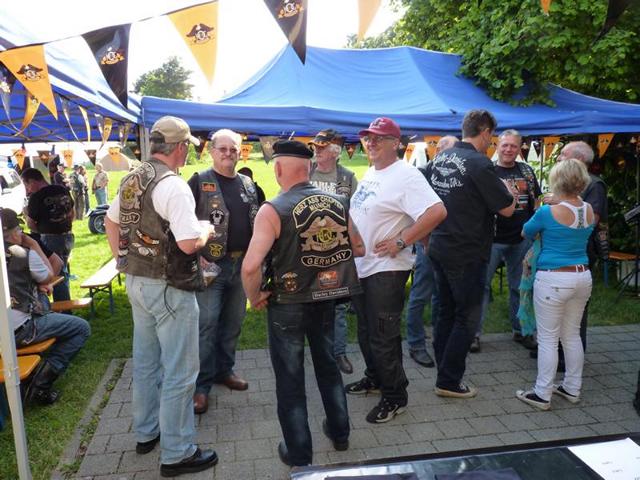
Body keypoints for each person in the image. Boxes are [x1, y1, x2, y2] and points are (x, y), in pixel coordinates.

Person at [104, 116, 218, 477]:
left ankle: (146, 432)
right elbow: (188, 243)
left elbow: (111, 221)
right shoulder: (173, 185)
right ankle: (177, 452)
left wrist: (122, 260)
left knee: (146, 362)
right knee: (181, 371)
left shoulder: (133, 177)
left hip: (138, 281)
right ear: (180, 147)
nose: (189, 153)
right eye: (188, 147)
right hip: (169, 285)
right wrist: (205, 229)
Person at [241, 140, 365, 466]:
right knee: (328, 366)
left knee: (290, 378)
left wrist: (254, 296)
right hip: (325, 299)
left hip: (287, 303)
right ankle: (340, 433)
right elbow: (359, 248)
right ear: (308, 168)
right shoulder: (339, 202)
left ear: (278, 169)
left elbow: (250, 267)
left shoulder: (272, 209)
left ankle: (299, 453)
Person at [348, 117, 447, 423]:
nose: (371, 143)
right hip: (363, 265)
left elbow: (437, 211)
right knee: (366, 331)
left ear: (396, 143)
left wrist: (402, 240)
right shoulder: (373, 171)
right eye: (368, 138)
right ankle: (375, 378)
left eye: (379, 138)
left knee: (383, 335)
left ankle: (395, 396)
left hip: (387, 269)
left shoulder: (407, 175)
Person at [424, 110, 516, 399]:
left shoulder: (440, 158)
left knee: (445, 311)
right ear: (485, 131)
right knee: (466, 317)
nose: (492, 141)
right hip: (466, 250)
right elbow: (507, 208)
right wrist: (509, 190)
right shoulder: (479, 163)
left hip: (439, 244)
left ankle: (444, 371)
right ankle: (449, 380)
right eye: (493, 135)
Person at [187, 129, 260, 415]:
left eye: (234, 149)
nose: (228, 154)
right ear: (211, 151)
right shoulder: (198, 181)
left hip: (242, 266)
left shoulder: (249, 184)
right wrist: (197, 258)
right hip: (210, 266)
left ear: (241, 152)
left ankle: (224, 370)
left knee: (233, 323)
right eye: (223, 149)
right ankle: (201, 386)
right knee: (206, 326)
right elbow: (181, 223)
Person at [516, 159, 594, 410]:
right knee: (571, 335)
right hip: (582, 276)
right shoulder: (588, 209)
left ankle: (542, 393)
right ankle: (572, 387)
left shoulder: (547, 212)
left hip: (553, 278)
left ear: (557, 181)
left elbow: (526, 232)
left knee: (548, 339)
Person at [2, 208, 90, 406]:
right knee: (81, 328)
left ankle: (33, 377)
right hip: (20, 331)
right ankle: (40, 385)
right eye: (19, 230)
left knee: (40, 294)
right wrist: (33, 244)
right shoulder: (23, 255)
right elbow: (50, 274)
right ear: (15, 234)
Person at [473, 130, 541, 353]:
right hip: (491, 239)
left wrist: (533, 228)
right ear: (497, 146)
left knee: (520, 287)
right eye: (505, 145)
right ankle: (473, 334)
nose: (509, 149)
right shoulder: (488, 171)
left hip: (521, 239)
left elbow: (536, 202)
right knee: (481, 286)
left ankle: (522, 330)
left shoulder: (527, 171)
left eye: (513, 146)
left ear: (519, 148)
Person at [309, 128, 358, 375]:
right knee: (310, 302)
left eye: (322, 148)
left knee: (338, 305)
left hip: (338, 251)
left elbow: (357, 213)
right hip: (308, 249)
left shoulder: (348, 177)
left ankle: (338, 353)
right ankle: (317, 351)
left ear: (335, 151)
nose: (316, 151)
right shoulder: (305, 171)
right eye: (316, 147)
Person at [406, 135, 458, 368]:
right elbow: (414, 213)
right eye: (450, 153)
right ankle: (416, 344)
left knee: (441, 294)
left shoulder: (456, 174)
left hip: (449, 244)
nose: (455, 159)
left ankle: (440, 340)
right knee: (421, 293)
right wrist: (425, 242)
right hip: (428, 242)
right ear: (438, 152)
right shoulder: (422, 174)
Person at [554, 141, 607, 360]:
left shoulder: (595, 185)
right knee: (556, 305)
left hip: (581, 253)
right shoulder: (563, 183)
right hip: (560, 254)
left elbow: (592, 220)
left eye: (563, 154)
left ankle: (569, 357)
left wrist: (559, 209)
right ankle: (554, 350)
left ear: (579, 159)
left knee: (576, 310)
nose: (559, 158)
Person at [21, 168, 75, 304]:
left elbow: (31, 224)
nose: (27, 189)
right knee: (63, 271)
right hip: (68, 236)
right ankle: (65, 305)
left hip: (50, 238)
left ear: (32, 181)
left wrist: (29, 217)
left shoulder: (36, 197)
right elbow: (72, 213)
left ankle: (63, 308)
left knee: (56, 275)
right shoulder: (62, 189)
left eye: (27, 185)